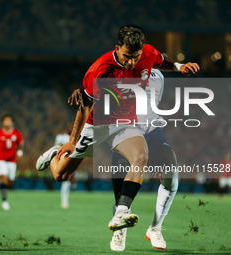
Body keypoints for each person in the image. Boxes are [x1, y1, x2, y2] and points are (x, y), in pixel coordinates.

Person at [36, 25, 199, 234]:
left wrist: (179, 66)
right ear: (117, 48)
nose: (131, 62)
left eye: (136, 57)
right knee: (61, 175)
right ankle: (53, 155)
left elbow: (161, 62)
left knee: (140, 156)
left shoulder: (148, 53)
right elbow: (85, 105)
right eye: (126, 56)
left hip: (125, 123)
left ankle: (121, 212)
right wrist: (73, 141)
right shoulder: (100, 69)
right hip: (98, 125)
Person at [110, 69, 178, 251]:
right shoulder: (119, 70)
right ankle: (120, 228)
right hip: (124, 131)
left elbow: (153, 104)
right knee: (121, 195)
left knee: (171, 169)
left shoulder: (158, 75)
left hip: (152, 131)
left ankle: (155, 227)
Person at [0, 114, 24, 210]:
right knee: (3, 179)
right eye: (5, 121)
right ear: (3, 122)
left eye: (9, 120)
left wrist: (20, 152)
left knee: (10, 182)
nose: (7, 122)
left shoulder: (17, 133)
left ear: (12, 122)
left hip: (12, 161)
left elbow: (20, 144)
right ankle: (4, 201)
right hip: (0, 160)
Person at [54, 127, 76, 209]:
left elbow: (56, 148)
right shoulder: (68, 138)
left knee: (68, 182)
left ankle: (64, 202)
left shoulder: (60, 137)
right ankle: (64, 202)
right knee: (67, 182)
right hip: (67, 161)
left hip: (68, 161)